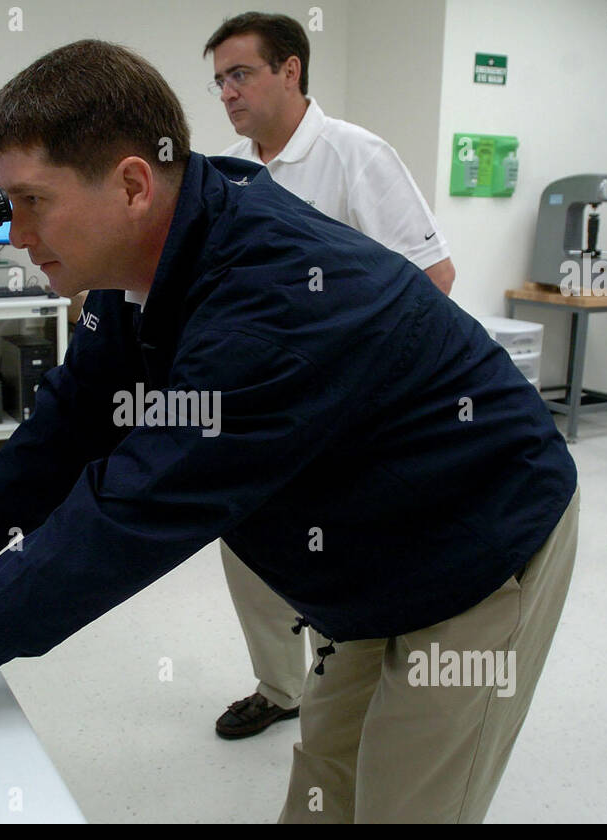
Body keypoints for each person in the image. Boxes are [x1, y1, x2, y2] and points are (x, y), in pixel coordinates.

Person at [0, 40, 580, 823]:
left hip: (470, 552)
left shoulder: (269, 308)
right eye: (5, 205)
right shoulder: (143, 258)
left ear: (133, 183)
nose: (16, 234)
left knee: (404, 809)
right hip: (358, 565)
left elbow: (114, 528)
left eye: (32, 203)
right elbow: (74, 414)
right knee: (322, 793)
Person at [204, 11, 458, 739]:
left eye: (240, 73)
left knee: (335, 553)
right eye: (219, 80)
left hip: (348, 409)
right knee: (249, 548)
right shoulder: (231, 171)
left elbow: (432, 276)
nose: (227, 92)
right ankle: (278, 687)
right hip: (265, 405)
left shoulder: (357, 156)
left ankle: (342, 694)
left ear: (291, 70)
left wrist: (360, 380)